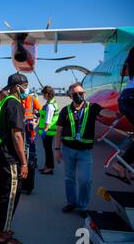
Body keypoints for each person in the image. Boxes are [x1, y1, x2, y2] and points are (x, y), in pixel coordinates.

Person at [55, 82, 119, 218]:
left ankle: (83, 206)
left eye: (82, 93)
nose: (80, 96)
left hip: (85, 151)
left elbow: (104, 112)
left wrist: (116, 113)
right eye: (76, 94)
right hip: (68, 150)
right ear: (70, 96)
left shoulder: (92, 108)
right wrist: (57, 149)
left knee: (85, 180)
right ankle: (71, 203)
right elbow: (59, 131)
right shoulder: (65, 111)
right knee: (69, 179)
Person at [0, 73, 29, 244]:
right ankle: (3, 233)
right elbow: (17, 135)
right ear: (17, 86)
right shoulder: (14, 104)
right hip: (10, 158)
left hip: (2, 154)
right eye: (25, 85)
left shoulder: (5, 102)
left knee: (2, 192)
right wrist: (24, 162)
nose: (26, 89)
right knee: (10, 195)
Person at [111, 47, 134, 179]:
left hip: (125, 98)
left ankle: (125, 166)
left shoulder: (129, 63)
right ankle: (121, 164)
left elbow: (121, 73)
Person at [38, 86, 59, 175]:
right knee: (47, 150)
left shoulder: (50, 106)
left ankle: (50, 168)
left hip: (48, 132)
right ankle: (47, 166)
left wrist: (44, 131)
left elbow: (48, 121)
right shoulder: (51, 102)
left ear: (47, 94)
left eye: (43, 94)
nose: (43, 96)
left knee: (48, 150)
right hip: (49, 131)